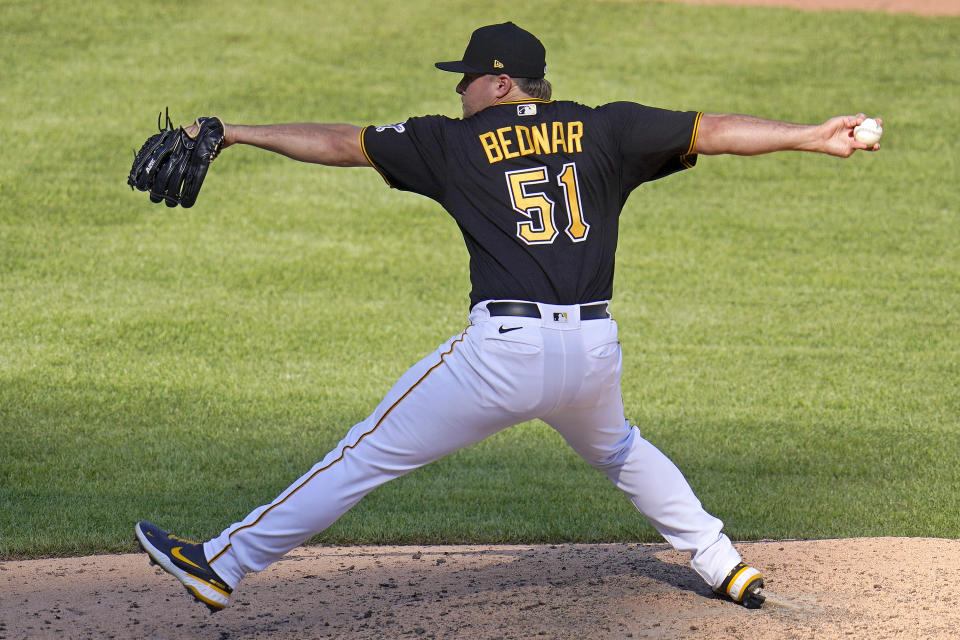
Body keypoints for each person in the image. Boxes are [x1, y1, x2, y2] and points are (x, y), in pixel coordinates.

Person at [135, 21, 881, 613]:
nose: (459, 92)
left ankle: (222, 565)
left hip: (504, 355)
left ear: (497, 81)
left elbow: (339, 142)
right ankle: (725, 565)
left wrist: (236, 133)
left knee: (365, 454)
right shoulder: (603, 128)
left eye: (466, 79)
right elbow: (713, 127)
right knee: (618, 448)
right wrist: (812, 135)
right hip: (592, 353)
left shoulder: (454, 141)